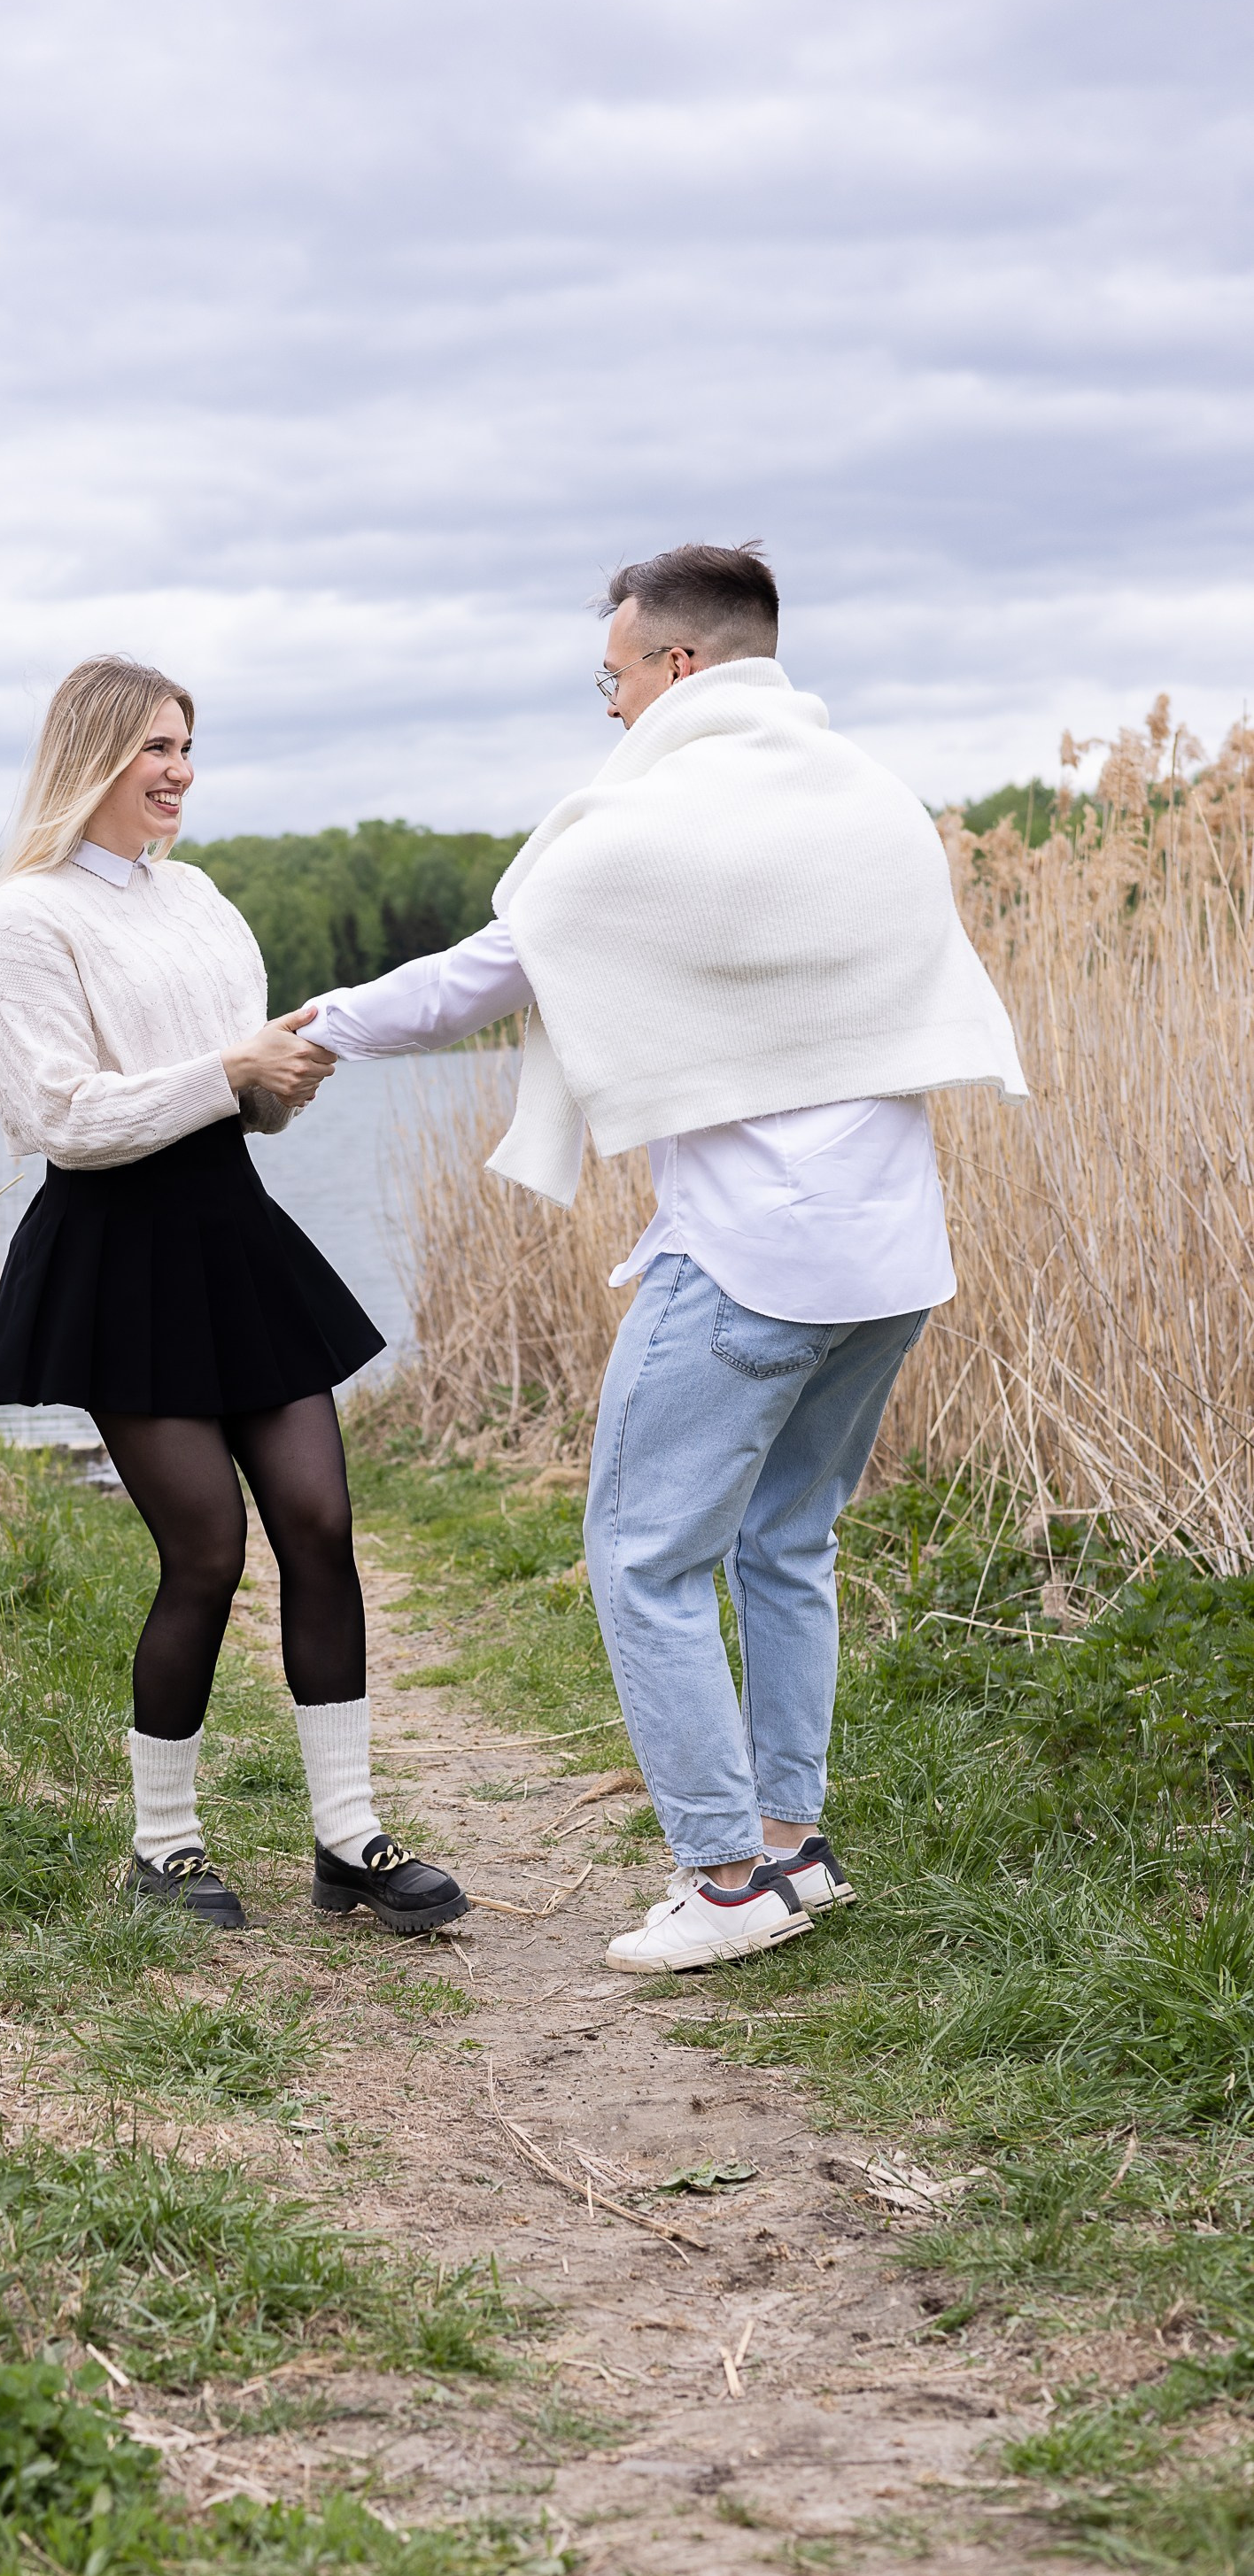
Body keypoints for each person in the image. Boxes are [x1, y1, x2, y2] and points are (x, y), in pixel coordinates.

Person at [301, 544, 1026, 1974]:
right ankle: (794, 1848)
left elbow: (489, 972)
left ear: (679, 664)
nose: (614, 709)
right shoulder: (873, 801)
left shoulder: (661, 818)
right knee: (786, 1543)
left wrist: (315, 1026)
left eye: (615, 678)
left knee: (641, 1556)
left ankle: (721, 1873)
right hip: (892, 1256)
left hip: (750, 1255)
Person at [0, 654, 468, 1938]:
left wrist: (273, 1085)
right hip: (116, 1251)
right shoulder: (26, 918)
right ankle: (164, 1851)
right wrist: (227, 1065)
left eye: (186, 746)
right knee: (205, 1552)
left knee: (318, 1520)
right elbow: (61, 1118)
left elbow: (235, 1101)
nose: (178, 771)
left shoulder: (202, 902)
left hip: (230, 1229)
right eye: (152, 749)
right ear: (90, 759)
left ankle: (350, 1843)